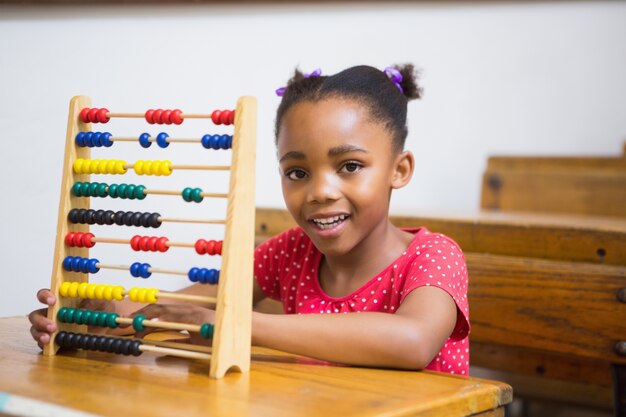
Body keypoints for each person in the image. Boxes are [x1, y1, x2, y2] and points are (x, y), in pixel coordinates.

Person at [29, 64, 470, 374]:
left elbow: (413, 341)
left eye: (350, 166)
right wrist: (90, 316)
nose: (319, 191)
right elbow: (187, 306)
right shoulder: (289, 253)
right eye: (297, 172)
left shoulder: (433, 256)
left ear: (400, 169)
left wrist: (241, 325)